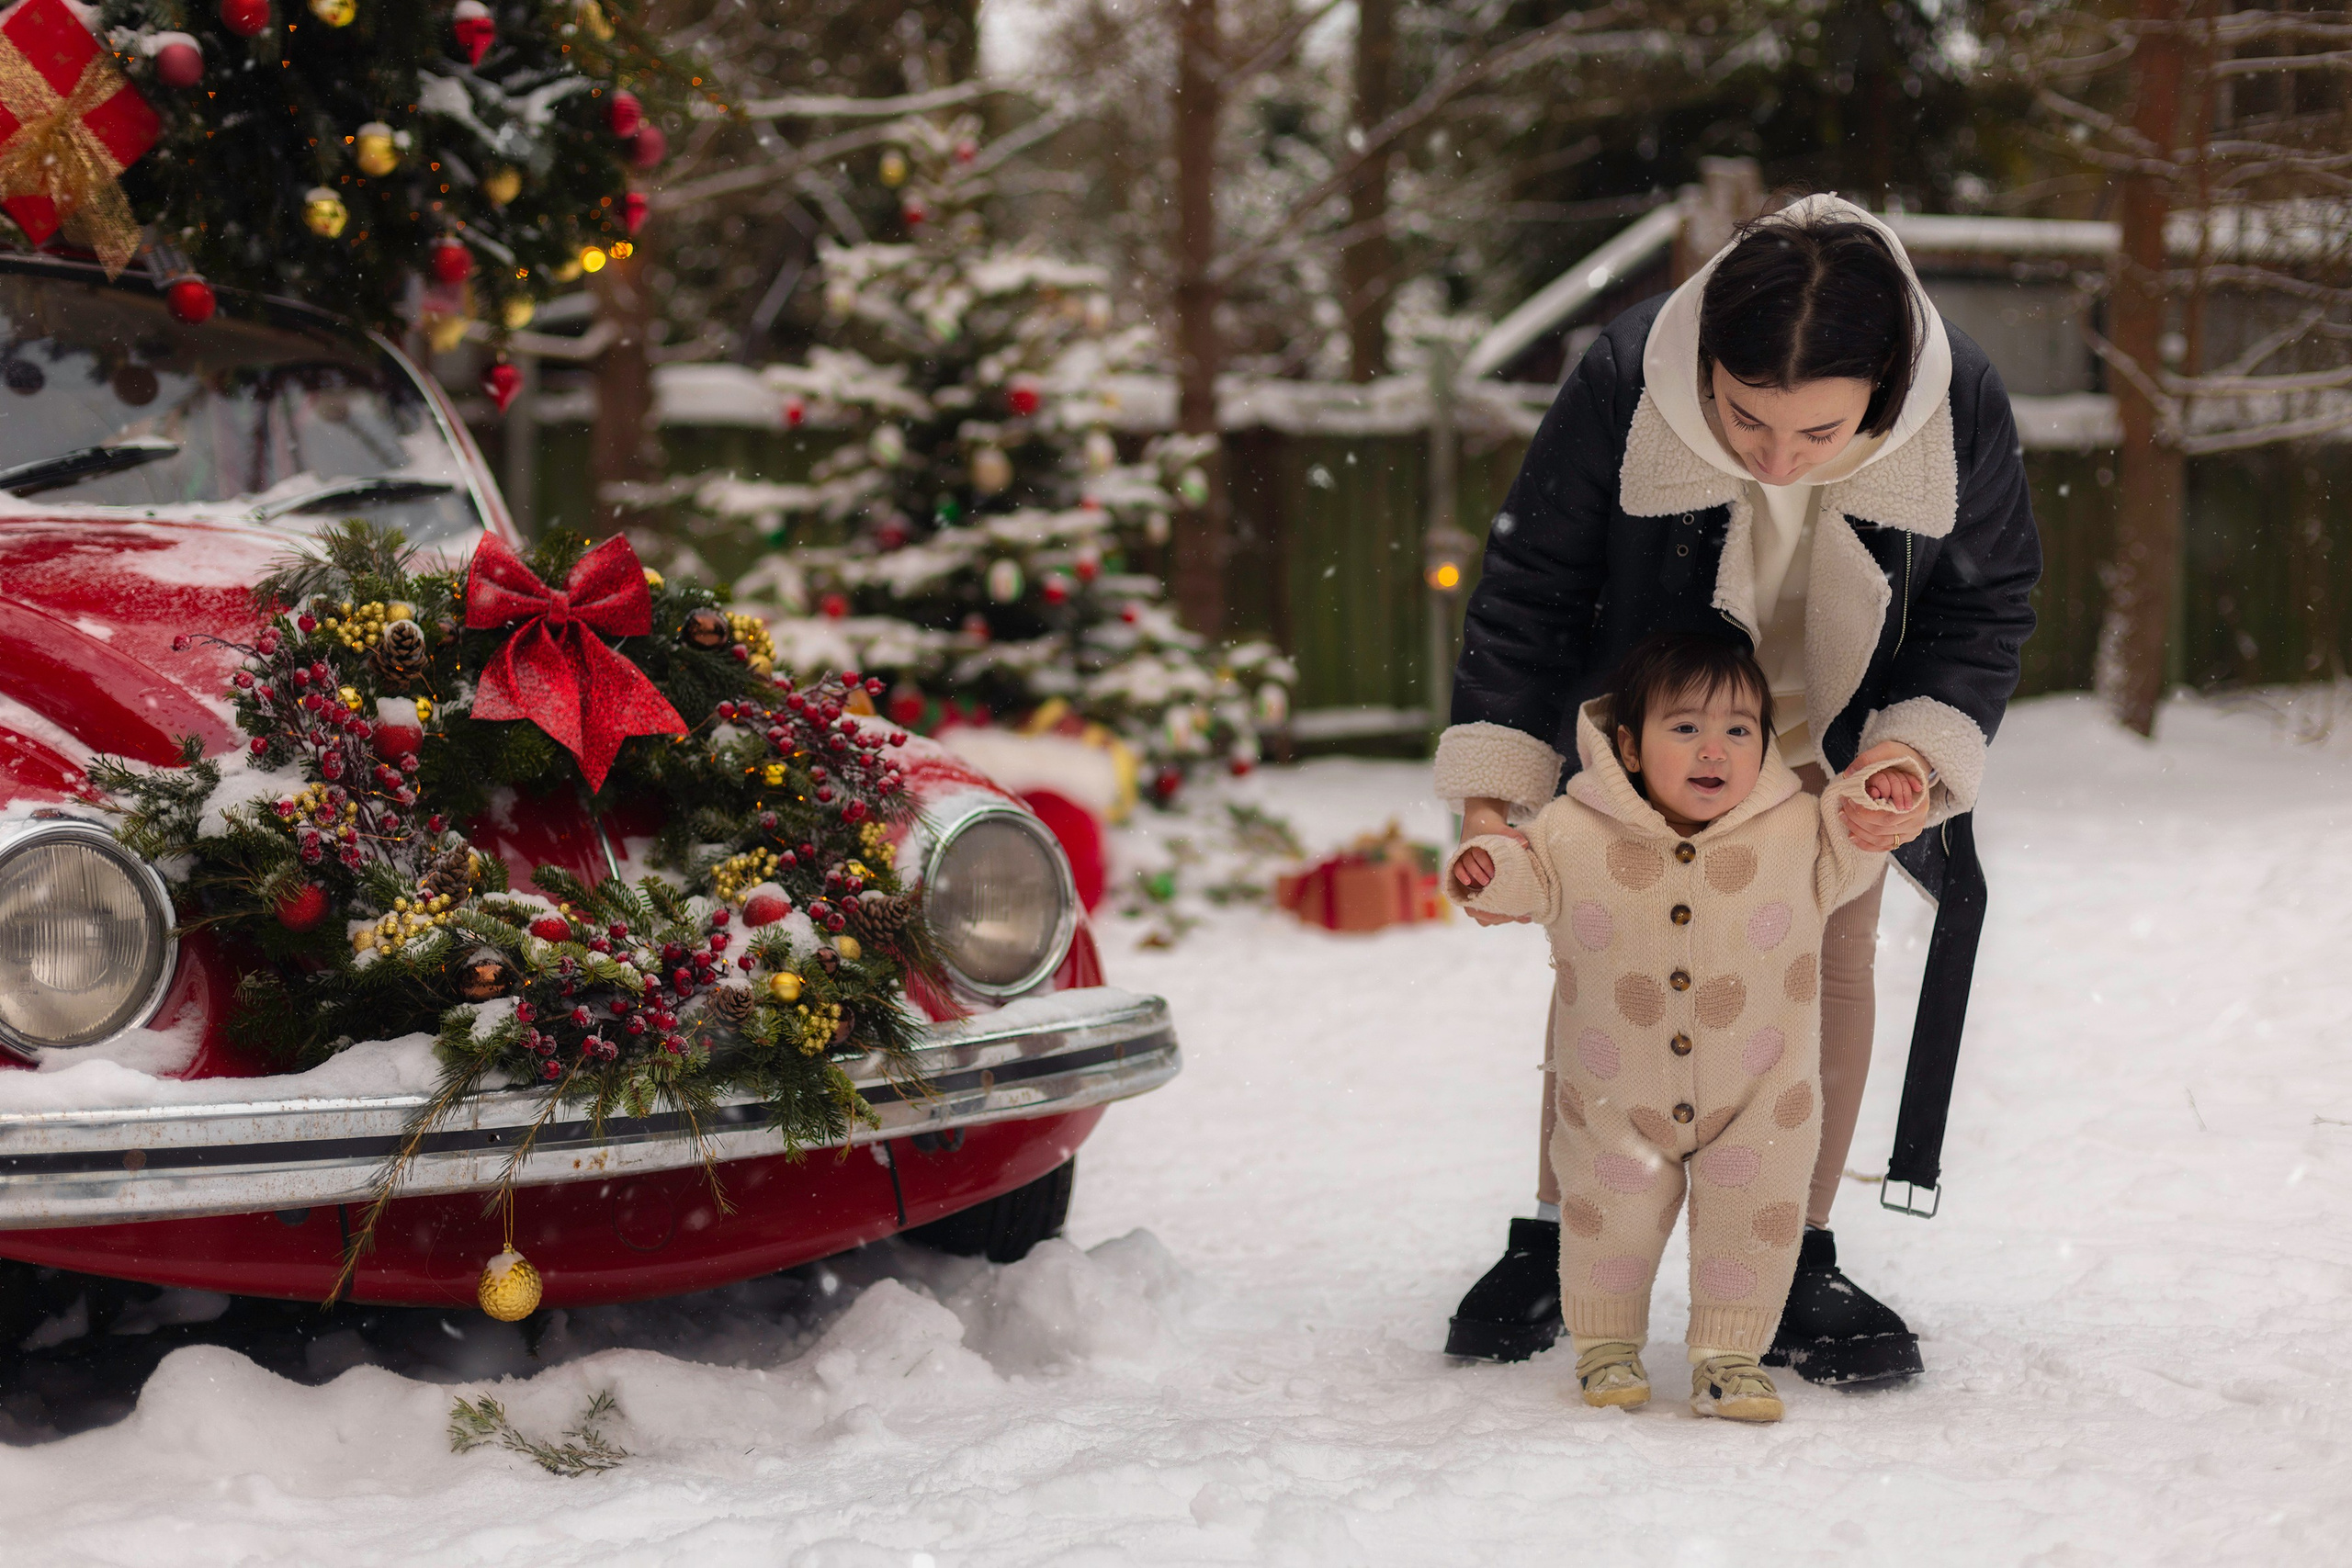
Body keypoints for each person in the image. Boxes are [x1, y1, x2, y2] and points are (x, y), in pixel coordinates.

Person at [1436, 194, 2041, 1384]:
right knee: (1607, 953)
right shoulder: (1624, 374)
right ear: (1705, 358)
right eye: (1745, 418)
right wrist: (1495, 794)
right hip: (1660, 725)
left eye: (1816, 432)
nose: (1774, 458)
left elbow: (1986, 597)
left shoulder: (1955, 398)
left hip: (1837, 731)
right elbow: (1531, 584)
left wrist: (1910, 757)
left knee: (1828, 961)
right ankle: (1561, 1233)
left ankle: (1795, 1250)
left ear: (1885, 384)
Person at [1449, 634, 1923, 1420]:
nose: (1716, 748)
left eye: (1740, 729)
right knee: (1606, 1218)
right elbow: (1519, 876)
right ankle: (1605, 1344)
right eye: (1685, 727)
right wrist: (1485, 867)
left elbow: (1856, 832)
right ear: (1628, 746)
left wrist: (1883, 798)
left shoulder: (1799, 828)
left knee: (1757, 1221)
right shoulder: (1571, 828)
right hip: (1614, 1092)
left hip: (1760, 1096)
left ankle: (1730, 1354)